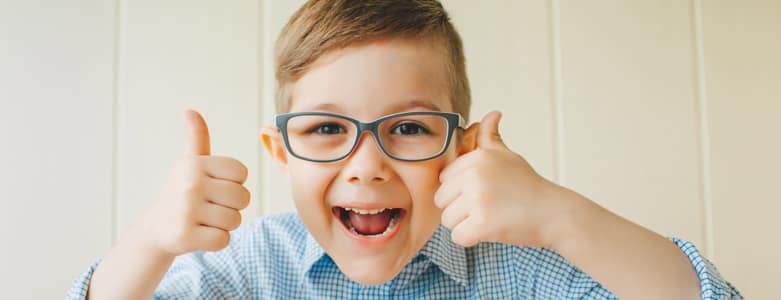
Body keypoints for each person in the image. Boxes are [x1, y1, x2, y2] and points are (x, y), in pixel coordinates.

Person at [68, 0, 742, 299]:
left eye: (411, 128)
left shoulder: (521, 274)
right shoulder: (243, 272)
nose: (367, 164)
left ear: (465, 149)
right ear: (281, 151)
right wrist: (149, 244)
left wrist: (562, 218)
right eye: (327, 129)